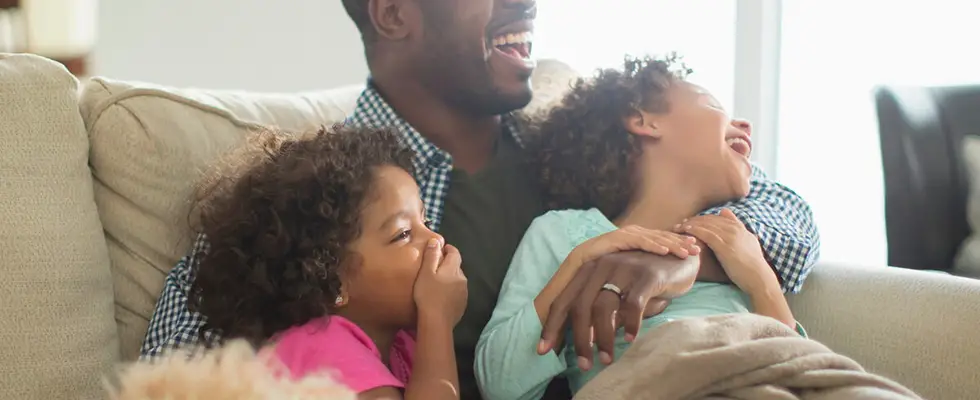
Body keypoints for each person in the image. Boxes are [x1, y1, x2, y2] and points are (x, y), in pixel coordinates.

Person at [140, 1, 820, 398]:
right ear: (395, 12)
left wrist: (685, 257)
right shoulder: (323, 197)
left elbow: (785, 208)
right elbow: (177, 366)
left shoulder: (567, 155)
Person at [475, 55, 809, 399]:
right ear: (643, 120)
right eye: (711, 103)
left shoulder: (734, 239)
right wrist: (577, 265)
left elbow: (799, 372)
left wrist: (762, 280)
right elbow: (499, 384)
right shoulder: (563, 233)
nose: (746, 125)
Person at [186, 125, 469, 398]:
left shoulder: (400, 345)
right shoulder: (320, 347)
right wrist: (437, 318)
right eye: (403, 234)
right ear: (333, 281)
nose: (436, 239)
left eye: (426, 220)